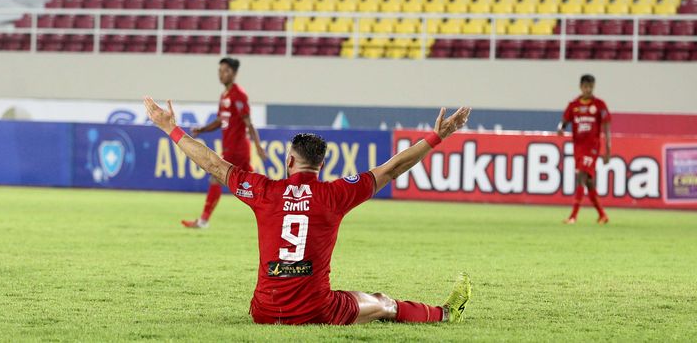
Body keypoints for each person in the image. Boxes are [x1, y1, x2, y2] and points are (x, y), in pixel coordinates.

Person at [144, 96, 472, 325]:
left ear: (289, 160)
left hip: (263, 311)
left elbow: (213, 164)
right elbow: (393, 168)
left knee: (346, 298)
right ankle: (444, 313)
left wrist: (169, 127)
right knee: (382, 302)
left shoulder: (264, 191)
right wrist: (437, 136)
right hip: (316, 311)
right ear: (322, 165)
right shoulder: (335, 194)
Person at [181, 57, 267, 229]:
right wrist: (202, 130)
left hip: (237, 148)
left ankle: (204, 220)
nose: (221, 74)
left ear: (234, 74)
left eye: (225, 71)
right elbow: (221, 120)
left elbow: (248, 122)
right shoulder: (224, 95)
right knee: (252, 182)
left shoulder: (238, 95)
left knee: (216, 177)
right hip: (232, 147)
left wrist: (257, 146)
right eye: (220, 71)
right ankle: (274, 208)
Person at [557, 74, 611, 225]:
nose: (588, 90)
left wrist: (608, 149)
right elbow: (564, 121)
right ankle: (602, 215)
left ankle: (573, 216)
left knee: (580, 176)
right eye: (586, 87)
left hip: (592, 147)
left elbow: (606, 127)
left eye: (591, 87)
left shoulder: (599, 105)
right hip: (578, 147)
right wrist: (560, 128)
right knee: (588, 181)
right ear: (581, 87)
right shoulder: (573, 105)